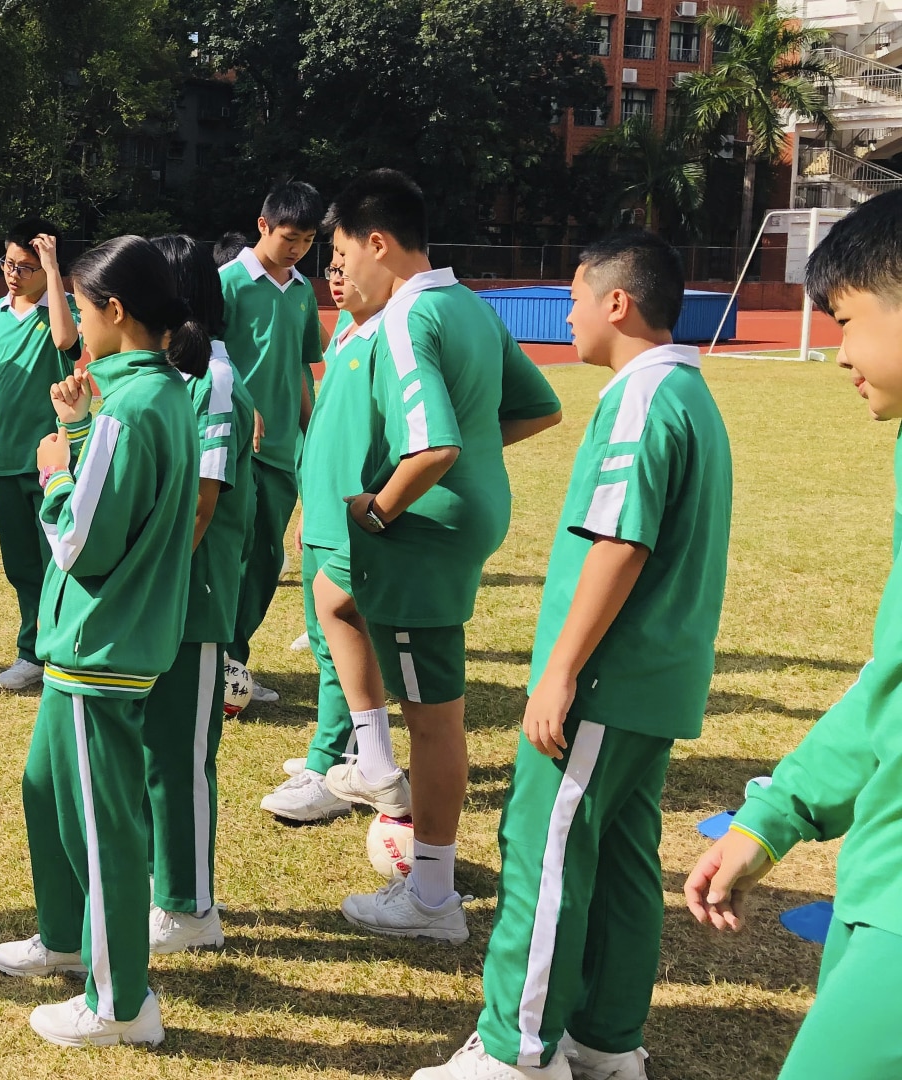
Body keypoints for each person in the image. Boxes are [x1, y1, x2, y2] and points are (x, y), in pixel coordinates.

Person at [419, 233, 731, 1080]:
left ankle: (515, 1051)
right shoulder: (689, 393)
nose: (567, 314)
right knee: (623, 857)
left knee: (544, 850)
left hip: (607, 679)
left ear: (617, 303)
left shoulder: (642, 398)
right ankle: (606, 1040)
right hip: (655, 682)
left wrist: (558, 673)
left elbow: (619, 545)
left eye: (574, 297)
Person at [685, 188, 902, 1080]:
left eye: (847, 320)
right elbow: (889, 684)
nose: (839, 350)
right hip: (879, 883)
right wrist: (772, 818)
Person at [315, 169, 562, 942]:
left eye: (342, 251)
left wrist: (383, 508)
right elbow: (538, 406)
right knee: (336, 595)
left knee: (435, 714)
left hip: (420, 530)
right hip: (450, 520)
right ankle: (373, 764)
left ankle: (431, 897)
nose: (338, 268)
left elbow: (437, 444)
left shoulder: (403, 319)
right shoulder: (470, 307)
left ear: (378, 243)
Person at [0, 235, 201, 1048]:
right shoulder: (156, 392)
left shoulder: (130, 406)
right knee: (48, 789)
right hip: (101, 642)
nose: (71, 320)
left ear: (115, 311)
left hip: (101, 647)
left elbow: (82, 540)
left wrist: (56, 460)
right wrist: (79, 428)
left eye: (78, 305)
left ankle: (119, 1005)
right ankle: (67, 937)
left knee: (103, 825)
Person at [142, 233, 257, 952]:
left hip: (193, 594)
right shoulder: (179, 373)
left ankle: (189, 909)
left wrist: (146, 584)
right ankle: (169, 891)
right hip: (165, 593)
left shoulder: (213, 376)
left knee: (183, 754)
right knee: (158, 751)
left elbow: (202, 504)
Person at [260, 249, 388, 824]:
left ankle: (330, 762)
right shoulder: (345, 334)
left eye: (346, 266)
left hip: (354, 518)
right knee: (322, 639)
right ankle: (347, 747)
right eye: (331, 270)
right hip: (322, 510)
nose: (337, 280)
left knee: (344, 642)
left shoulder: (395, 335)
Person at [220, 181, 325, 705]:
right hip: (233, 447)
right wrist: (243, 401)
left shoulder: (304, 291)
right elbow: (204, 358)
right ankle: (212, 662)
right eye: (290, 236)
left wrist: (316, 427)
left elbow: (303, 367)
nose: (298, 248)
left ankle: (233, 664)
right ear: (262, 226)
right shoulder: (226, 284)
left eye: (307, 240)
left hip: (284, 450)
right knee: (225, 556)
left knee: (263, 561)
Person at [0, 219, 81, 691]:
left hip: (51, 460)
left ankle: (58, 649)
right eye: (8, 264)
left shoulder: (64, 309)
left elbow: (64, 342)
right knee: (20, 565)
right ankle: (31, 651)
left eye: (26, 267)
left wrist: (54, 271)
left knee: (57, 560)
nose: (14, 274)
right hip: (4, 459)